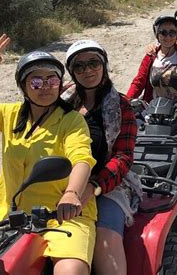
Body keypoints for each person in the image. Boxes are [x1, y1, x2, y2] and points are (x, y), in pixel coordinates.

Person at [0, 34, 97, 274]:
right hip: (11, 214)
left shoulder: (72, 121)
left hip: (62, 214)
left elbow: (81, 158)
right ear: (24, 86)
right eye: (36, 82)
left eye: (52, 81)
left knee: (71, 271)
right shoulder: (10, 114)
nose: (45, 87)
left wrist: (71, 194)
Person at [61, 39, 140, 275]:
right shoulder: (61, 104)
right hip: (62, 181)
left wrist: (93, 187)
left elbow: (124, 157)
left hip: (107, 184)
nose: (88, 70)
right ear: (72, 72)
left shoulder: (121, 106)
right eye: (80, 66)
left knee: (106, 239)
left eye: (94, 63)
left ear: (104, 65)